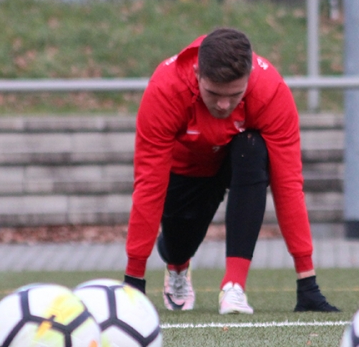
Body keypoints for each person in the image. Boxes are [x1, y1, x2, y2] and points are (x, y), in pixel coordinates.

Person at [122, 27, 338, 314]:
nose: (223, 105)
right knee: (177, 246)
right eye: (213, 93)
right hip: (187, 169)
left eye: (235, 94)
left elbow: (288, 184)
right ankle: (177, 265)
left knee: (252, 148)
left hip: (235, 161)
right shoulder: (165, 88)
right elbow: (149, 183)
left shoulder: (270, 90)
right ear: (197, 73)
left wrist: (307, 283)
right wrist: (133, 283)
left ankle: (234, 286)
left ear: (249, 77)